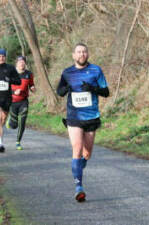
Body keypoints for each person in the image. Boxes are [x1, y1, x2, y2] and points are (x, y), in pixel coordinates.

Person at [56, 43, 109, 202]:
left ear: (88, 54)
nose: (82, 54)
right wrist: (64, 90)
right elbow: (59, 91)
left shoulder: (96, 70)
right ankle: (79, 187)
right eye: (79, 52)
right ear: (73, 55)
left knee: (87, 153)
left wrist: (93, 88)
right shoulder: (67, 72)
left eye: (84, 51)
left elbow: (106, 92)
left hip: (91, 116)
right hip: (74, 116)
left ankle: (78, 165)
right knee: (77, 147)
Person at [0, 49, 21, 153]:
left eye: (3, 56)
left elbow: (18, 81)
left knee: (3, 119)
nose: (1, 58)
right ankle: (0, 143)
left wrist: (9, 80)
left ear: (5, 57)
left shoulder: (10, 68)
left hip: (7, 97)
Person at [6, 56, 36, 150]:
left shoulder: (29, 74)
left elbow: (31, 84)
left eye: (23, 62)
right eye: (20, 62)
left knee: (22, 122)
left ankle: (18, 142)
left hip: (23, 101)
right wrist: (14, 92)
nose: (21, 64)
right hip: (12, 101)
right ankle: (10, 121)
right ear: (16, 63)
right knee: (14, 125)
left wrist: (32, 88)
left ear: (25, 64)